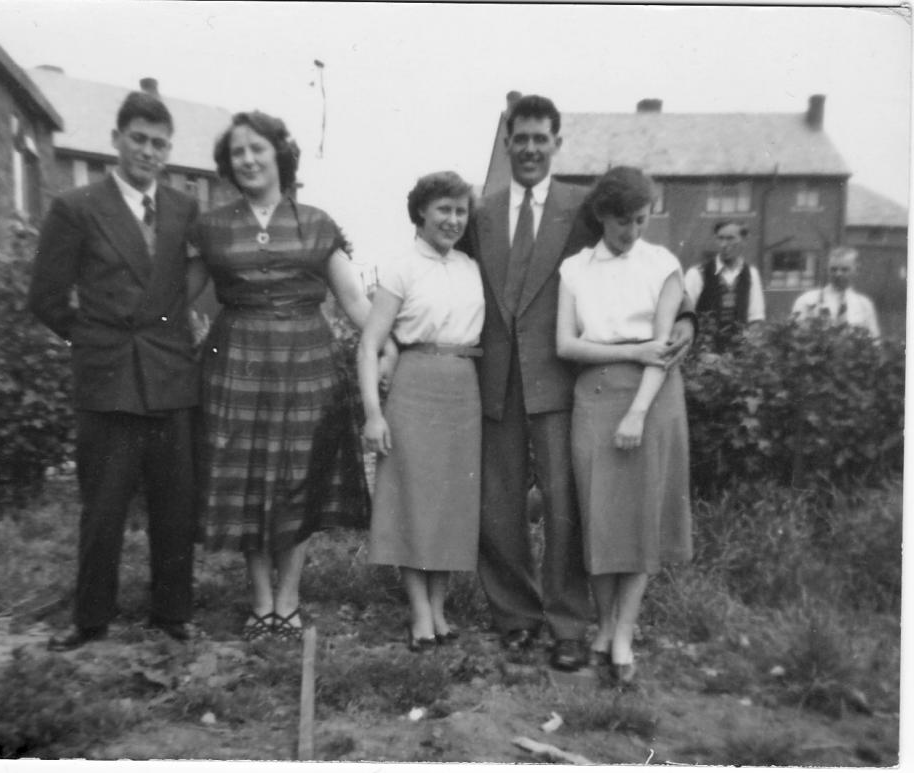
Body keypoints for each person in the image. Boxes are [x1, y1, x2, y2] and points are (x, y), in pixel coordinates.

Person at [461, 94, 696, 671]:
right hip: (496, 380)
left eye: (543, 138)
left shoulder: (580, 206)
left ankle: (568, 625)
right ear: (507, 141)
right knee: (499, 504)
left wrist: (685, 315)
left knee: (567, 503)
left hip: (564, 380)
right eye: (521, 138)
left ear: (557, 143)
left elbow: (635, 261)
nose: (532, 148)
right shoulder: (481, 210)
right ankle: (515, 615)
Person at [191, 110, 391, 642]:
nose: (249, 159)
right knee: (249, 480)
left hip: (306, 367)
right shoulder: (212, 226)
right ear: (227, 165)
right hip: (237, 365)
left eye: (258, 148)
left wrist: (388, 343)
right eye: (237, 153)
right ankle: (259, 598)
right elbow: (173, 299)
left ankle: (289, 597)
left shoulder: (317, 223)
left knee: (298, 480)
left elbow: (352, 298)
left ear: (280, 154)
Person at [29, 91, 200, 650]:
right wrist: (96, 340)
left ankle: (172, 615)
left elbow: (186, 282)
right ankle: (91, 619)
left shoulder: (181, 209)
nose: (148, 152)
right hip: (108, 380)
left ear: (168, 150)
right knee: (103, 507)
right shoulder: (76, 207)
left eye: (159, 144)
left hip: (170, 378)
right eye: (139, 140)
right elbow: (47, 297)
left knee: (174, 506)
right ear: (116, 140)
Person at [556, 166, 693, 685]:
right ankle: (604, 622)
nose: (631, 232)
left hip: (651, 397)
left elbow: (664, 349)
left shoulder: (662, 264)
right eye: (621, 223)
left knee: (639, 520)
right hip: (593, 394)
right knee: (600, 515)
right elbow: (565, 345)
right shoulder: (575, 269)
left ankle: (623, 633)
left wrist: (638, 410)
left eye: (639, 220)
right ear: (600, 216)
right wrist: (630, 350)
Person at [358, 171, 484, 652]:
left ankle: (440, 608)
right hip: (415, 386)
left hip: (462, 389)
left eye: (460, 211)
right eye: (443, 210)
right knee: (414, 498)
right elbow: (369, 345)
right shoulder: (401, 269)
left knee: (451, 502)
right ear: (421, 213)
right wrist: (374, 413)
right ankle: (419, 612)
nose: (453, 220)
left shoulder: (472, 267)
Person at [684, 220, 765, 348]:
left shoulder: (751, 274)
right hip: (703, 353)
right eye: (720, 239)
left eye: (730, 239)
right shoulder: (697, 274)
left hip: (739, 355)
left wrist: (749, 350)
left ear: (744, 241)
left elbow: (755, 318)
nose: (724, 244)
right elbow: (685, 318)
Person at [791, 246, 880, 339]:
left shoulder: (864, 305)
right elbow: (795, 337)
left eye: (844, 269)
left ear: (856, 270)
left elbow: (874, 340)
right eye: (833, 269)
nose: (838, 274)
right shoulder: (807, 300)